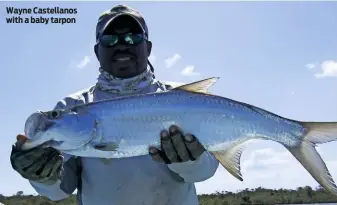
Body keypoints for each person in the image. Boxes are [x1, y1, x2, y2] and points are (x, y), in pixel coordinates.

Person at [10, 4, 219, 205]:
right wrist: (41, 176)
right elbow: (59, 191)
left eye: (133, 37)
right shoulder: (73, 105)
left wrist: (191, 161)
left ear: (148, 48)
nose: (121, 44)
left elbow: (205, 171)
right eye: (110, 39)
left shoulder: (182, 99)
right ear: (96, 51)